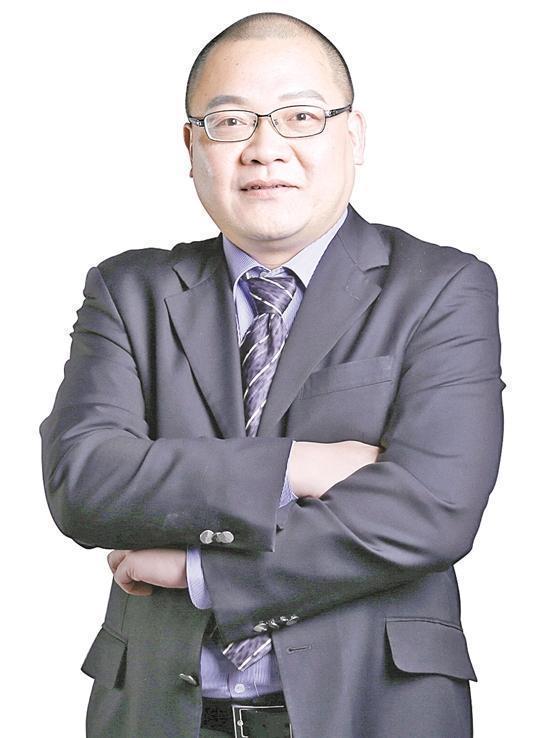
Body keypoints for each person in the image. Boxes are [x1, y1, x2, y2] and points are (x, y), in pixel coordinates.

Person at [39, 11, 506, 738]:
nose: (264, 149)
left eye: (300, 117)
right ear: (192, 146)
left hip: (374, 711)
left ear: (353, 136)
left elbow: (433, 510)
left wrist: (197, 570)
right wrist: (298, 465)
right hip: (156, 715)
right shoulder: (128, 291)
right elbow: (85, 482)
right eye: (230, 122)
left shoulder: (442, 287)